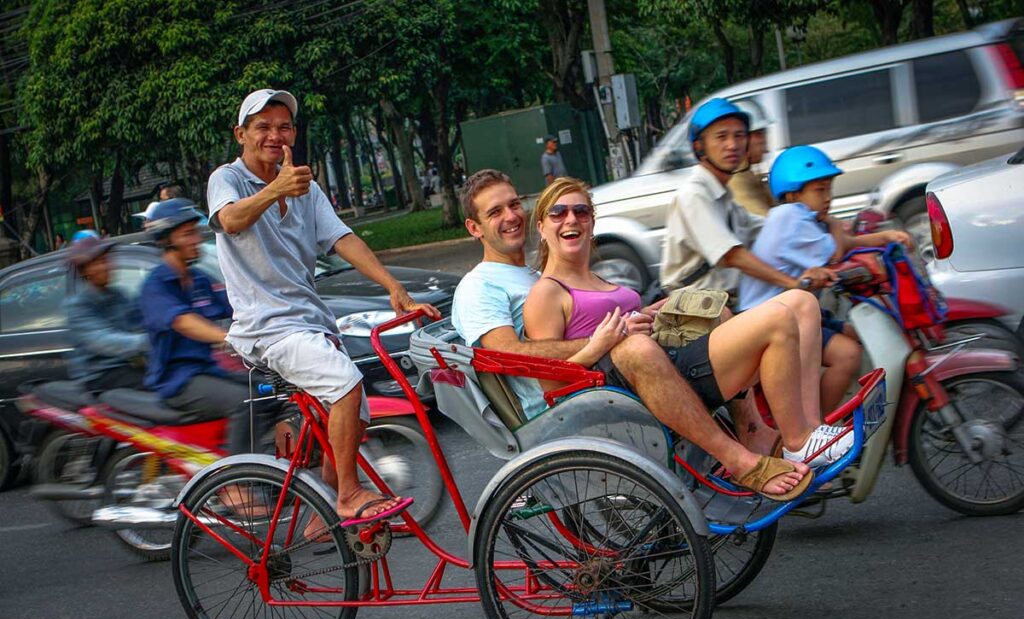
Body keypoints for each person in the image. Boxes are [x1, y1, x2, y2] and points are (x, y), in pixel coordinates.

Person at [452, 168, 813, 501]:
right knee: (640, 347)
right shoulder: (481, 287)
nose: (511, 216)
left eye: (514, 205)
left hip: (618, 369)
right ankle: (748, 454)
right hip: (572, 404)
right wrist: (604, 339)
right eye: (494, 212)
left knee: (712, 309)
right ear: (474, 228)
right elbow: (508, 355)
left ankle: (757, 429)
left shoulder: (533, 274)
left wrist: (641, 316)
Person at [206, 88, 438, 525]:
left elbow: (342, 238)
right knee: (346, 385)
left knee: (358, 411)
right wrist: (275, 187)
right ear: (241, 134)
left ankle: (325, 512)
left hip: (311, 321)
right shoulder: (228, 179)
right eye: (263, 127)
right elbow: (230, 220)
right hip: (268, 328)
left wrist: (393, 286)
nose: (275, 135)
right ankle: (349, 494)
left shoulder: (303, 187)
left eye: (284, 127)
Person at [523, 177, 853, 471]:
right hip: (641, 388)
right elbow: (551, 387)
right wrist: (599, 344)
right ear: (541, 227)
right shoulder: (547, 293)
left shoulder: (597, 279)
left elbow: (625, 321)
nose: (571, 219)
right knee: (778, 319)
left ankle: (810, 428)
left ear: (592, 223)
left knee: (802, 304)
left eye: (581, 211)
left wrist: (658, 311)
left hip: (667, 359)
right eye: (558, 212)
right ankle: (797, 442)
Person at [739, 145, 913, 412]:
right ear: (793, 193)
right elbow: (836, 252)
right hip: (769, 322)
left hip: (796, 313)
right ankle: (818, 428)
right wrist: (834, 225)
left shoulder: (802, 218)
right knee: (848, 355)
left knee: (860, 334)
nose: (828, 198)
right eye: (819, 190)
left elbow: (844, 242)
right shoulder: (789, 218)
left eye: (829, 189)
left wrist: (886, 237)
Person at [139, 199, 280, 456]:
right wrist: (227, 337)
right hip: (178, 381)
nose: (196, 239)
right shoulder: (155, 285)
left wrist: (275, 316)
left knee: (270, 388)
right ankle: (240, 478)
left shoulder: (199, 280)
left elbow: (236, 306)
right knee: (245, 402)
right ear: (167, 240)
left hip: (207, 370)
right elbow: (183, 322)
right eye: (187, 234)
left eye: (195, 232)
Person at [660, 98, 834, 305]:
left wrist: (830, 223)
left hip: (729, 301)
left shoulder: (726, 198)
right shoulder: (694, 196)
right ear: (700, 147)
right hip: (698, 309)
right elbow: (733, 256)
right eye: (721, 137)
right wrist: (793, 283)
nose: (732, 145)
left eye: (739, 136)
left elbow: (770, 227)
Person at [65, 237, 148, 392]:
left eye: (107, 260)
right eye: (99, 262)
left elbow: (139, 322)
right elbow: (103, 341)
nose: (107, 266)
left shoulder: (119, 295)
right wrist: (149, 340)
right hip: (99, 375)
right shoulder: (79, 305)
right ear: (86, 271)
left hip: (125, 367)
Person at [728, 100, 773, 217]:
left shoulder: (748, 175)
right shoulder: (737, 183)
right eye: (759, 134)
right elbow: (767, 223)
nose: (763, 141)